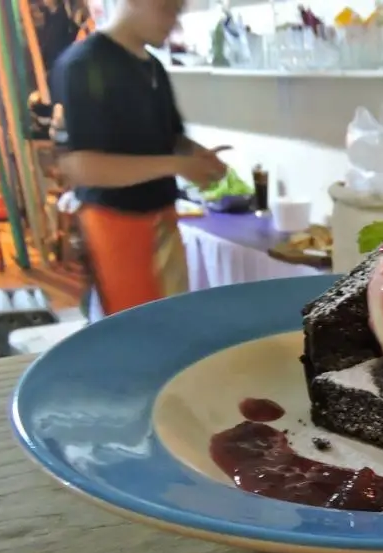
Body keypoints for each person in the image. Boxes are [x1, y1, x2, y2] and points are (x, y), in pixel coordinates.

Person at [51, 0, 228, 320]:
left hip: (163, 219)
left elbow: (170, 138)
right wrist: (177, 165)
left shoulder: (153, 66)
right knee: (137, 330)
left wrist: (197, 156)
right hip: (115, 222)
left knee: (173, 323)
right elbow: (80, 166)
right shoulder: (85, 64)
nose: (173, 22)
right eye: (167, 9)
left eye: (177, 11)